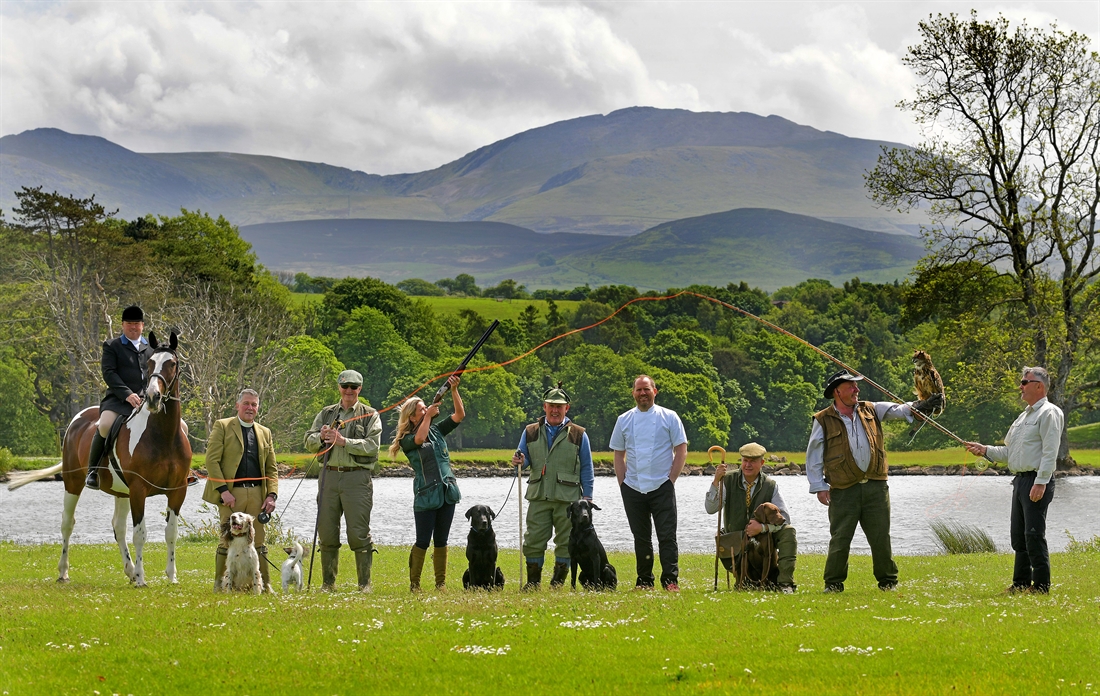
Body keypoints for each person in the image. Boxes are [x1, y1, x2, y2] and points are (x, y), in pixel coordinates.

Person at [806, 369, 942, 593]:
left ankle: (888, 582)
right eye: (852, 387)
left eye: (856, 386)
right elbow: (813, 457)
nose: (857, 390)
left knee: (880, 537)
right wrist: (819, 487)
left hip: (876, 488)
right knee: (840, 539)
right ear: (837, 392)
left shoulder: (871, 409)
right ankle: (833, 583)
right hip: (842, 490)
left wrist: (921, 405)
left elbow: (898, 410)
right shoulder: (822, 420)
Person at [965, 367, 1064, 594]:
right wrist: (985, 450)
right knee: (1019, 536)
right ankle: (1020, 584)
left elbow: (1050, 453)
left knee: (1033, 534)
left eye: (1024, 382)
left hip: (1037, 480)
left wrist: (1041, 482)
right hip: (1020, 481)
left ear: (1039, 386)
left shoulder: (1050, 413)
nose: (1020, 386)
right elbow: (1010, 453)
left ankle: (1040, 586)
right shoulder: (1023, 417)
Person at [304, 369, 382, 592]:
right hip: (328, 476)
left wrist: (343, 441)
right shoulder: (326, 413)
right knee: (326, 531)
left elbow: (373, 447)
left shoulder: (370, 414)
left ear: (360, 389)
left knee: (358, 532)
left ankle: (364, 584)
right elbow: (308, 440)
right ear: (339, 387)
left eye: (354, 387)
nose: (349, 391)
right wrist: (320, 436)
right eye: (345, 386)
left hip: (357, 478)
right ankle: (328, 584)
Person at [511, 384, 594, 590]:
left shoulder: (579, 434)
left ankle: (557, 585)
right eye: (551, 406)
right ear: (544, 407)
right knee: (533, 540)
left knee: (566, 542)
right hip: (539, 495)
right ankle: (532, 584)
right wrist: (519, 461)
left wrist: (588, 498)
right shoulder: (530, 431)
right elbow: (524, 461)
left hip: (569, 500)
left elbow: (587, 468)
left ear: (567, 408)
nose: (555, 410)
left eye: (559, 406)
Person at [610, 375, 688, 591]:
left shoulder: (669, 417)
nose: (642, 393)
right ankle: (644, 581)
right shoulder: (623, 419)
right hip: (633, 487)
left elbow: (681, 450)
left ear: (655, 391)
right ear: (633, 393)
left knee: (667, 536)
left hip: (662, 486)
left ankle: (670, 580)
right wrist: (623, 483)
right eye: (638, 390)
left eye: (646, 389)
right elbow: (618, 454)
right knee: (641, 537)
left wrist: (671, 480)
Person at [389, 374, 464, 592]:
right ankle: (415, 585)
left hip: (447, 492)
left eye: (425, 408)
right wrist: (429, 416)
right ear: (412, 417)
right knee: (422, 541)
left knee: (442, 540)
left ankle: (440, 584)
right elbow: (420, 439)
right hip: (425, 496)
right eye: (421, 410)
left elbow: (460, 415)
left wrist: (454, 390)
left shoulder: (437, 430)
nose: (426, 410)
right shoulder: (407, 440)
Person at [202, 389, 279, 592]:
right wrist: (222, 490)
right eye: (246, 403)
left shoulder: (265, 432)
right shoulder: (223, 426)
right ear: (237, 405)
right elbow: (211, 460)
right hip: (230, 494)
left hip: (257, 495)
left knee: (259, 540)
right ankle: (220, 585)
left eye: (254, 404)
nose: (250, 408)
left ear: (258, 407)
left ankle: (265, 586)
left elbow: (272, 469)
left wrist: (271, 495)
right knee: (227, 539)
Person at [705, 442, 797, 592]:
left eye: (752, 461)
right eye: (745, 460)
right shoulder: (727, 480)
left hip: (763, 539)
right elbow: (711, 509)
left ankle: (785, 584)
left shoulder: (770, 485)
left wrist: (762, 528)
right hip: (737, 540)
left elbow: (785, 517)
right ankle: (744, 579)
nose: (747, 465)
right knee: (747, 585)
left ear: (762, 463)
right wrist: (716, 482)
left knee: (788, 531)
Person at [85, 305, 154, 490]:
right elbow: (109, 374)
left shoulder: (152, 348)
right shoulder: (112, 346)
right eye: (129, 323)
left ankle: (182, 471)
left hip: (147, 401)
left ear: (143, 325)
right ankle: (93, 471)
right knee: (105, 425)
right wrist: (127, 394)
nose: (133, 327)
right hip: (118, 400)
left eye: (137, 324)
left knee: (181, 426)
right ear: (123, 325)